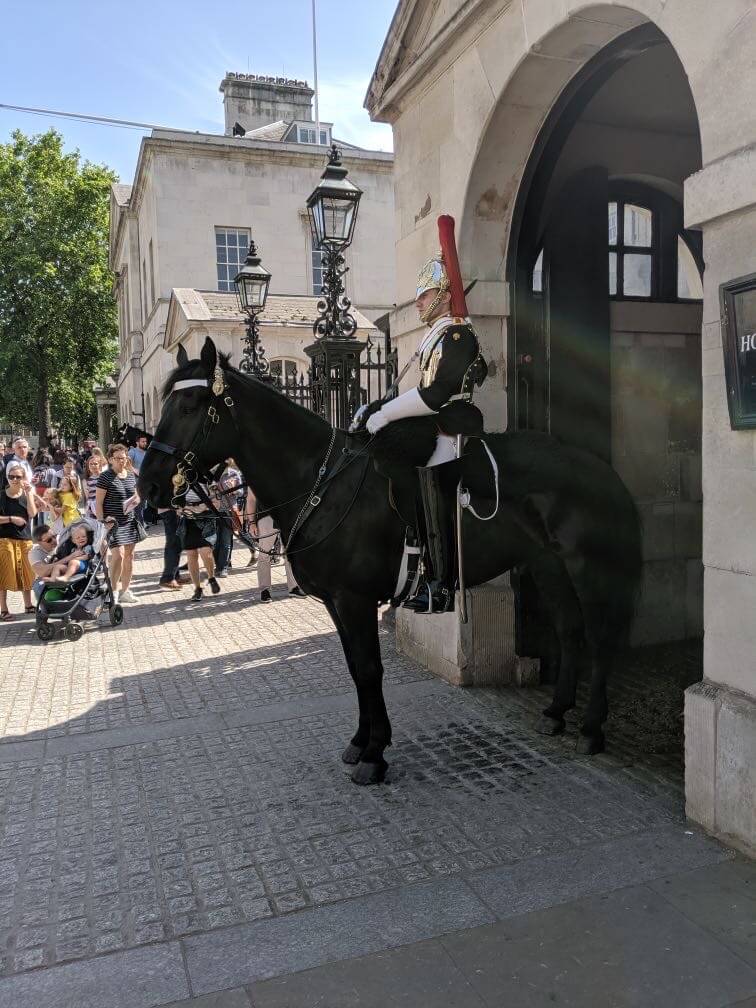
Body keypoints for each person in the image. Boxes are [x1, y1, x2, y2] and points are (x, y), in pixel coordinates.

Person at [359, 214, 487, 614]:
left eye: (425, 295)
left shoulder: (457, 335)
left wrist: (385, 414)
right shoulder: (437, 336)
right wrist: (377, 409)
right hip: (438, 422)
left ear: (446, 294)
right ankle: (411, 544)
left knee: (432, 478)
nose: (417, 302)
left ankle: (441, 581)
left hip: (455, 425)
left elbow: (434, 395)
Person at [95, 443, 141, 605]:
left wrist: (136, 499)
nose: (122, 461)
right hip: (112, 523)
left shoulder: (130, 474)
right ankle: (113, 591)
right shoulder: (105, 477)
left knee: (129, 556)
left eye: (124, 458)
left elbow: (136, 495)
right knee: (118, 556)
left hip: (129, 521)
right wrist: (102, 523)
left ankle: (125, 591)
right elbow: (98, 502)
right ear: (110, 459)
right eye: (118, 458)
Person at [246, 487, 301, 603]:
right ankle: (265, 589)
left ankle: (294, 586)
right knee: (264, 555)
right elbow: (251, 499)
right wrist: (251, 523)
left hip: (287, 516)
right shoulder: (255, 474)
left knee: (290, 553)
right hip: (266, 517)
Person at [0, 463, 38, 620]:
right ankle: (4, 609)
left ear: (24, 478)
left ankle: (28, 605)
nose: (15, 479)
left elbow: (33, 513)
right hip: (4, 539)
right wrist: (11, 519)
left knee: (27, 573)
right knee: (5, 573)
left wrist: (29, 494)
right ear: (7, 478)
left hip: (24, 539)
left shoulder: (26, 494)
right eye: (11, 476)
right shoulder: (1, 495)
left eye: (18, 477)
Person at [177, 485, 220, 602]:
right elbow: (176, 504)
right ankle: (197, 588)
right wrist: (182, 509)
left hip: (206, 520)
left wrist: (201, 507)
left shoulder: (207, 480)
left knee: (205, 552)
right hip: (188, 522)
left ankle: (211, 577)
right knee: (191, 554)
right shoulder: (181, 481)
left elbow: (217, 503)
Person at [213, 458, 242, 577]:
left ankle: (223, 567)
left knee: (225, 540)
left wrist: (233, 490)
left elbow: (241, 492)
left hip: (229, 511)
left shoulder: (234, 474)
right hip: (214, 511)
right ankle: (221, 564)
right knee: (214, 541)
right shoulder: (212, 475)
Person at [29, 524, 59, 600]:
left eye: (54, 536)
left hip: (63, 575)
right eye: (49, 540)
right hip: (45, 579)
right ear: (39, 543)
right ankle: (46, 610)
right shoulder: (34, 552)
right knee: (39, 586)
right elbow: (42, 572)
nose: (54, 540)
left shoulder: (61, 541)